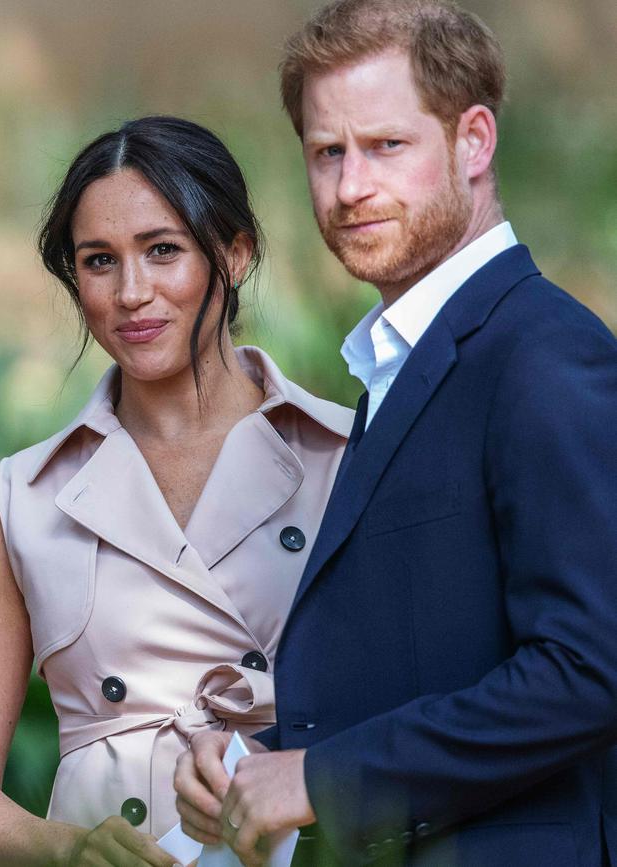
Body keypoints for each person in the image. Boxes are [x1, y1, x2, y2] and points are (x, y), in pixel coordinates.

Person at [174, 2, 617, 865]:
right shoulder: (402, 364)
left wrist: (325, 778)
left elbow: (592, 669)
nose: (349, 188)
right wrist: (260, 771)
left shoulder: (544, 356)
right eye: (326, 152)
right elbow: (429, 656)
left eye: (386, 146)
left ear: (474, 141)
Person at [0, 115, 354, 866]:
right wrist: (63, 847)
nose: (132, 293)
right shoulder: (21, 499)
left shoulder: (346, 455)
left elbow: (426, 715)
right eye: (98, 261)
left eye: (163, 250)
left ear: (235, 254)